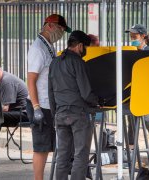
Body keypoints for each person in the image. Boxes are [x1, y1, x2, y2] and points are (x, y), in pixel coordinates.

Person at [48, 30, 99, 180]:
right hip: (78, 114)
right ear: (80, 46)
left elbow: (50, 92)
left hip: (60, 114)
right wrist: (97, 102)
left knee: (62, 155)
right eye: (86, 48)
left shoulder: (55, 62)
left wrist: (54, 114)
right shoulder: (78, 62)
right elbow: (86, 92)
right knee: (80, 155)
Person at [27, 14, 71, 180]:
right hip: (40, 104)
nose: (61, 33)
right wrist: (36, 107)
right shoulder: (38, 49)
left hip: (48, 103)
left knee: (47, 146)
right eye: (60, 29)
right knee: (41, 147)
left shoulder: (48, 46)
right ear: (50, 26)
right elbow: (31, 80)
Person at [125, 24, 149, 157]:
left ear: (143, 36)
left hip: (146, 92)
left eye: (134, 36)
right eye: (131, 36)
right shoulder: (130, 51)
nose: (132, 39)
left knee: (147, 119)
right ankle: (130, 151)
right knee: (132, 121)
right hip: (133, 92)